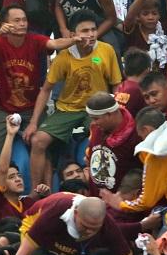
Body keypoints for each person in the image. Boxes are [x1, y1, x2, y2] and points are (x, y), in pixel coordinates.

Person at [24, 11, 122, 189]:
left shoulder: (106, 50)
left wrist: (116, 110)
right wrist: (33, 122)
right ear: (73, 34)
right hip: (67, 110)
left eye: (93, 30)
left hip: (96, 109)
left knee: (102, 139)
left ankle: (102, 187)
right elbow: (46, 89)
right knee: (38, 140)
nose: (90, 34)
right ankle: (35, 191)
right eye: (84, 31)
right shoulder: (63, 57)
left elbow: (116, 84)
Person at [13, 193, 134, 255]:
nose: (89, 232)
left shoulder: (108, 225)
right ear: (76, 213)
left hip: (74, 246)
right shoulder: (54, 213)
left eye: (95, 228)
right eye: (85, 226)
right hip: (37, 230)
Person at [83, 92, 141, 194]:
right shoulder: (96, 128)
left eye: (96, 118)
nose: (94, 122)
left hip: (120, 204)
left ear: (109, 114)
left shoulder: (135, 136)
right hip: (95, 200)